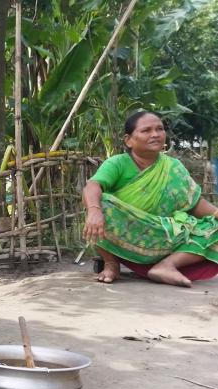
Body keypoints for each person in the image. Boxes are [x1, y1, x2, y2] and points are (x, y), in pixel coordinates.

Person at [82, 111, 218, 286]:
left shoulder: (173, 166)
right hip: (127, 235)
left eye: (159, 129)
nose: (155, 134)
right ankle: (111, 263)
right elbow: (92, 186)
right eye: (146, 130)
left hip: (168, 236)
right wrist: (94, 210)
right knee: (100, 202)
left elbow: (194, 203)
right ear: (128, 140)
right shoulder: (118, 163)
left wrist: (216, 213)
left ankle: (167, 266)